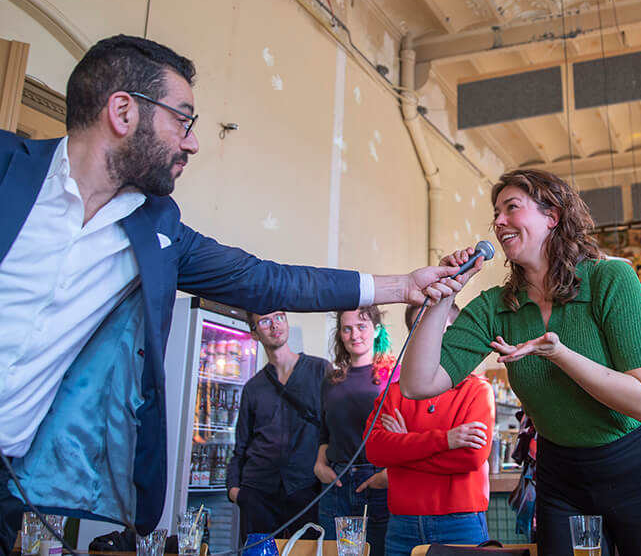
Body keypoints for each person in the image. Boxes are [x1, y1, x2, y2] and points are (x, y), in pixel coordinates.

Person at [0, 34, 456, 555]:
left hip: (10, 487)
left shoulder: (159, 230)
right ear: (123, 111)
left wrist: (401, 285)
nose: (193, 142)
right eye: (183, 119)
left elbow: (268, 280)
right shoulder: (7, 168)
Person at [399, 168, 641, 556]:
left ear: (552, 216)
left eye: (512, 208)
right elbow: (418, 383)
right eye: (496, 213)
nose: (499, 221)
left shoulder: (610, 279)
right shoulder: (495, 307)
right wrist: (441, 299)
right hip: (562, 477)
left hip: (637, 470)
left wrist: (560, 353)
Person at [366, 303, 494, 556]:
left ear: (455, 334)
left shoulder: (477, 391)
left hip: (460, 524)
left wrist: (403, 446)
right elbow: (375, 450)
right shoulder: (394, 393)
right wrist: (446, 440)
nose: (430, 339)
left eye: (439, 329)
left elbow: (471, 457)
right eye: (420, 330)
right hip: (402, 524)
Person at [226, 311, 327, 546]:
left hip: (307, 489)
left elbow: (332, 430)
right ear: (254, 333)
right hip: (258, 490)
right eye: (265, 321)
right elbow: (240, 446)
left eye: (279, 317)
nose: (275, 325)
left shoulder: (319, 371)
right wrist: (234, 490)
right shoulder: (253, 387)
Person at [314, 306, 395, 555]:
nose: (354, 335)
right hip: (336, 483)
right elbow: (325, 433)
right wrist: (319, 466)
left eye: (362, 327)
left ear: (376, 330)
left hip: (377, 482)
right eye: (347, 329)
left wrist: (390, 474)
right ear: (340, 334)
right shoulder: (331, 380)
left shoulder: (394, 375)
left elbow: (404, 434)